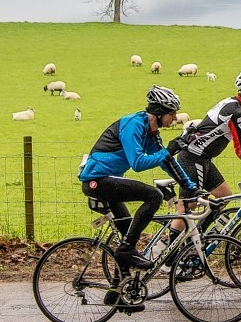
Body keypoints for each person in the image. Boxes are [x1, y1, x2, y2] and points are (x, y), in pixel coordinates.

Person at [79, 85, 184, 276]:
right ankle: (126, 250)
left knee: (127, 238)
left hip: (108, 180)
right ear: (160, 113)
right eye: (172, 113)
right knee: (153, 196)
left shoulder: (150, 132)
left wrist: (189, 185)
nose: (175, 118)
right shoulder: (134, 124)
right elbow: (137, 162)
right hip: (98, 180)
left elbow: (166, 162)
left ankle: (117, 293)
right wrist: (168, 150)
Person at [165, 70, 241, 221]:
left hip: (202, 157)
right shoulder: (237, 113)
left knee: (224, 195)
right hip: (193, 156)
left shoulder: (231, 102)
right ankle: (167, 244)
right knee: (188, 205)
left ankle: (199, 236)